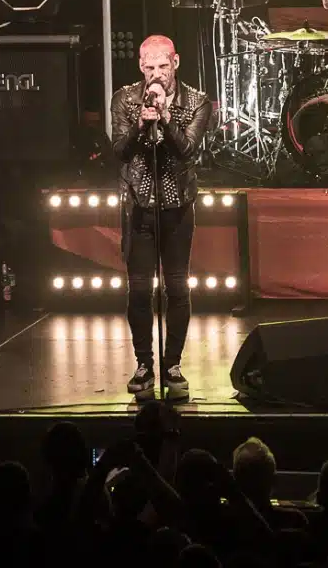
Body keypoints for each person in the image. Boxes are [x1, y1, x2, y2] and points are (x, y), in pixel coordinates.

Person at [109, 35, 211, 401]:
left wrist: (166, 117)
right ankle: (143, 365)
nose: (157, 74)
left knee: (177, 287)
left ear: (175, 63)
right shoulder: (124, 99)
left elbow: (188, 150)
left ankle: (173, 365)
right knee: (139, 289)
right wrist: (140, 124)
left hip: (177, 206)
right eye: (150, 67)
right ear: (141, 66)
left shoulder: (196, 101)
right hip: (139, 205)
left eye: (163, 66)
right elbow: (120, 151)